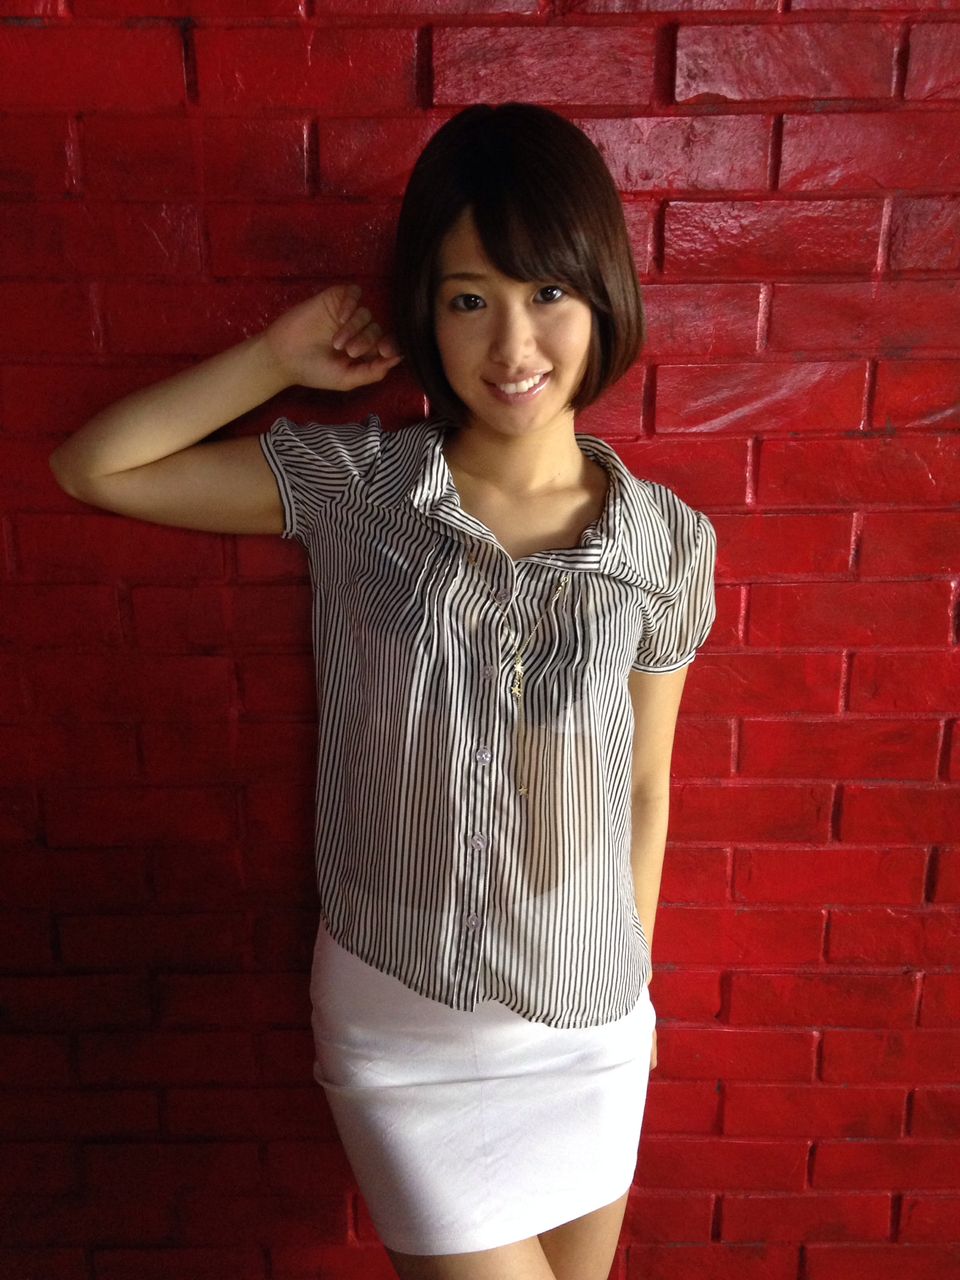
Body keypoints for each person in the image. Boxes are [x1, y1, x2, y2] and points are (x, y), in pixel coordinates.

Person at [49, 103, 717, 1280]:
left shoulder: (668, 543)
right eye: (469, 300)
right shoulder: (359, 490)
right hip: (408, 1034)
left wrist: (630, 981)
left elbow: (648, 787)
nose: (513, 343)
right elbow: (96, 465)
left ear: (602, 294)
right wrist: (273, 360)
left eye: (547, 292)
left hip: (594, 1034)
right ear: (426, 311)